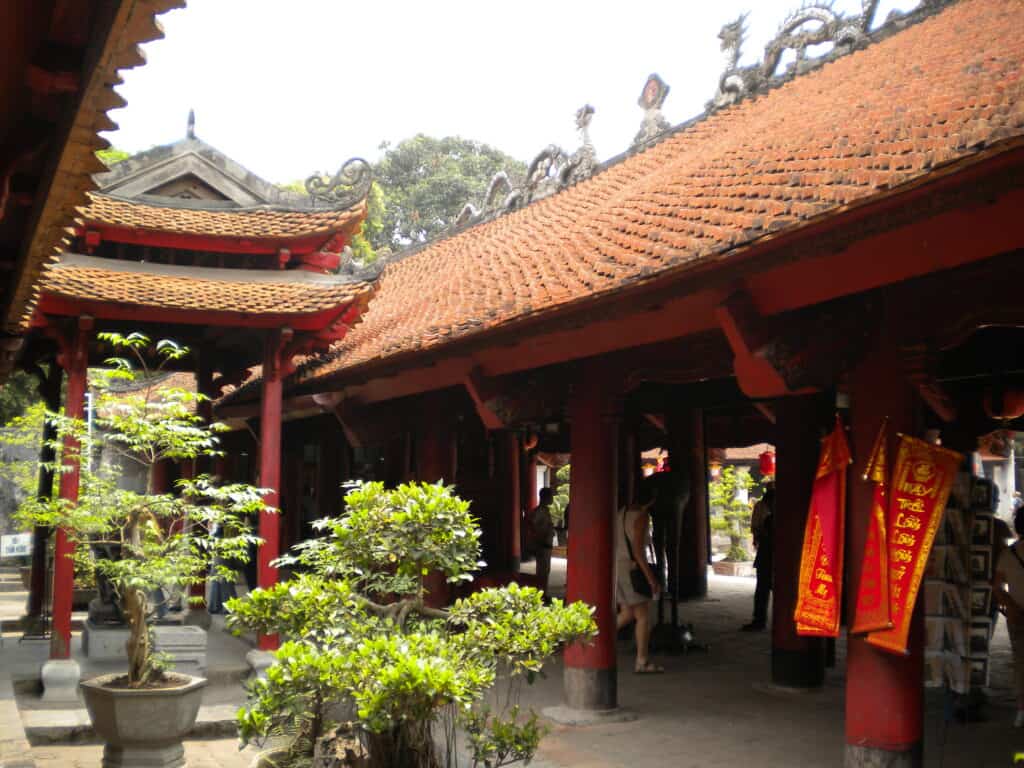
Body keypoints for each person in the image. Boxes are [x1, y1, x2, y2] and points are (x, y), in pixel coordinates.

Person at [616, 481, 663, 673]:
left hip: (618, 567)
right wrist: (652, 579)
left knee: (627, 613)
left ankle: (592, 639)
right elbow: (638, 552)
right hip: (632, 569)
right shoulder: (641, 516)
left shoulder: (621, 513)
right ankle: (642, 661)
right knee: (644, 616)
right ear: (652, 499)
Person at [993, 507, 1024, 727]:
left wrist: (1009, 605)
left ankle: (1022, 709)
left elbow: (996, 585)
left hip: (1017, 615)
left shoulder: (1009, 554)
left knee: (1020, 662)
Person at [743, 484, 775, 631]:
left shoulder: (767, 514)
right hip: (769, 557)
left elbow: (758, 531)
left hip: (767, 556)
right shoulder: (768, 515)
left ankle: (759, 621)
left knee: (762, 590)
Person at [532, 487, 556, 596]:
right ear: (546, 497)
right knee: (542, 572)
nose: (552, 498)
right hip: (542, 545)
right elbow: (533, 527)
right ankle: (540, 595)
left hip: (546, 544)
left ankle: (543, 593)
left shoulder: (545, 510)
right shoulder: (540, 511)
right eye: (551, 496)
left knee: (545, 571)